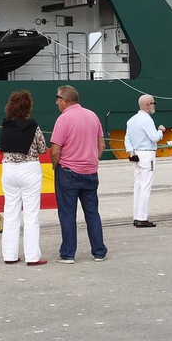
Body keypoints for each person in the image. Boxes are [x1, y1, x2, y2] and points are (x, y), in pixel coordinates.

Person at [49, 85, 107, 263]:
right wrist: (91, 160)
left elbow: (55, 150)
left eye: (58, 98)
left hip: (68, 171)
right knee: (92, 213)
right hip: (90, 172)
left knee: (67, 213)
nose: (56, 102)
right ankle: (99, 252)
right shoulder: (92, 116)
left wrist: (55, 166)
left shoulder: (63, 119)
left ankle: (68, 254)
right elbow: (102, 145)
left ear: (65, 100)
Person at [0, 90, 47, 265]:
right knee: (31, 214)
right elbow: (42, 148)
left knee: (10, 212)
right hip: (29, 169)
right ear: (28, 108)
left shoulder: (5, 125)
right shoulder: (33, 127)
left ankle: (9, 255)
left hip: (9, 169)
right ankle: (32, 256)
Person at [125, 94, 164, 227]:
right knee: (146, 186)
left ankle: (137, 216)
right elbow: (154, 138)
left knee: (138, 186)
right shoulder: (147, 119)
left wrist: (131, 152)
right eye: (153, 103)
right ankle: (142, 218)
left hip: (136, 154)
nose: (154, 105)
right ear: (147, 105)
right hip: (147, 154)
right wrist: (160, 130)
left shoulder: (131, 120)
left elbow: (127, 139)